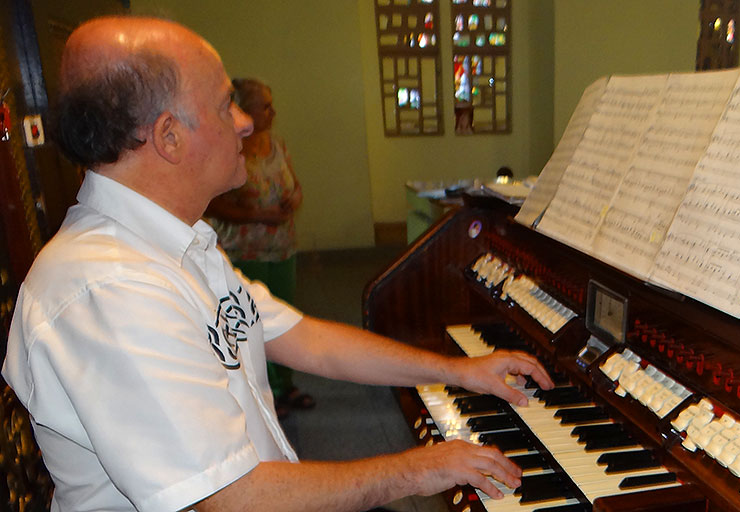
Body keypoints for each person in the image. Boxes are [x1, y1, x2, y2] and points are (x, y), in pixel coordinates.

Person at [1, 16, 553, 512]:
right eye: (225, 105)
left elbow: (309, 340)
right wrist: (419, 469)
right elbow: (231, 498)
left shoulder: (182, 244)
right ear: (169, 136)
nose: (245, 121)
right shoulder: (109, 288)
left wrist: (457, 370)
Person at [205, 77, 310, 420]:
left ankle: (287, 384)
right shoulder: (227, 149)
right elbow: (214, 205)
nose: (272, 112)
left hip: (281, 247)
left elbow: (294, 185)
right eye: (265, 106)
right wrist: (259, 215)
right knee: (253, 323)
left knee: (286, 313)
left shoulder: (276, 145)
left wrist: (294, 199)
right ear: (245, 111)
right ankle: (268, 392)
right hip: (245, 251)